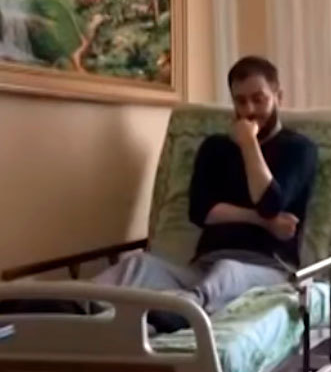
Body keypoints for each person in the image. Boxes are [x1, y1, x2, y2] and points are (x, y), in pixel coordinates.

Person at [92, 56, 318, 333]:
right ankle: (77, 301)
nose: (249, 110)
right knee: (138, 264)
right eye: (240, 101)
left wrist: (249, 143)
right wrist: (264, 222)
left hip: (268, 269)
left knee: (228, 271)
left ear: (278, 97)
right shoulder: (215, 147)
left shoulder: (299, 149)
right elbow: (201, 211)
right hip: (202, 267)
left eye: (258, 100)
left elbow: (270, 203)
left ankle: (181, 312)